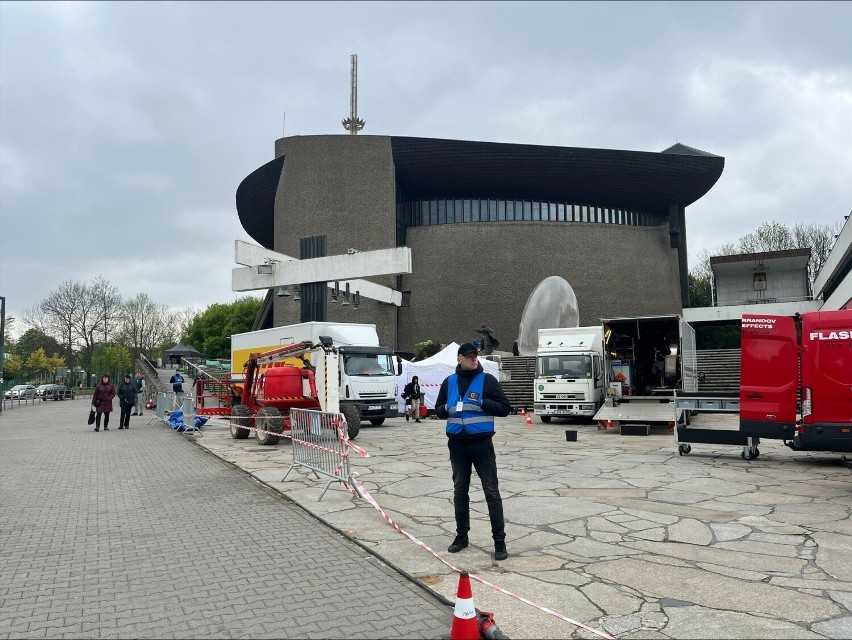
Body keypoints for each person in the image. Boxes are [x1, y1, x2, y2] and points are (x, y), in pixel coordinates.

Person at [435, 342, 511, 561]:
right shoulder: (448, 382)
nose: (473, 359)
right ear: (459, 359)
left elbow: (505, 408)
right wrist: (444, 409)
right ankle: (461, 537)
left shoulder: (488, 381)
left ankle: (499, 542)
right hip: (457, 444)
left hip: (481, 444)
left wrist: (484, 402)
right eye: (468, 357)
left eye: (475, 356)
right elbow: (438, 409)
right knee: (460, 491)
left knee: (491, 492)